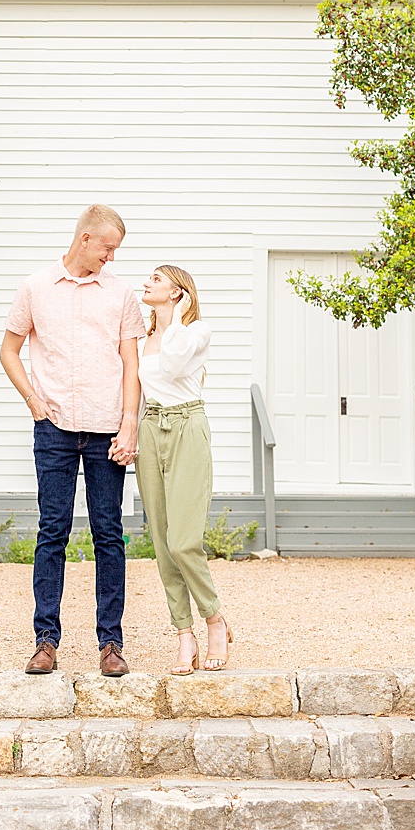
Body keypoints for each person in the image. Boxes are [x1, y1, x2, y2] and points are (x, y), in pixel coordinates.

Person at [0, 204, 144, 677]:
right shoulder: (36, 288)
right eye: (108, 248)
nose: (112, 258)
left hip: (107, 432)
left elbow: (131, 365)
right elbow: (9, 350)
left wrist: (129, 425)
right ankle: (45, 641)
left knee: (109, 535)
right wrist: (32, 401)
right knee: (52, 532)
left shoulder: (121, 295)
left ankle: (111, 644)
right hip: (55, 428)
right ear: (85, 239)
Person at [135, 264, 231, 675]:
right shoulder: (141, 337)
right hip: (150, 430)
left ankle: (214, 619)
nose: (147, 283)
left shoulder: (195, 332)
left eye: (157, 279)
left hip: (187, 426)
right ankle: (184, 634)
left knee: (183, 541)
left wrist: (174, 319)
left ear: (178, 293)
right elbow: (139, 387)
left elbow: (173, 367)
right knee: (161, 541)